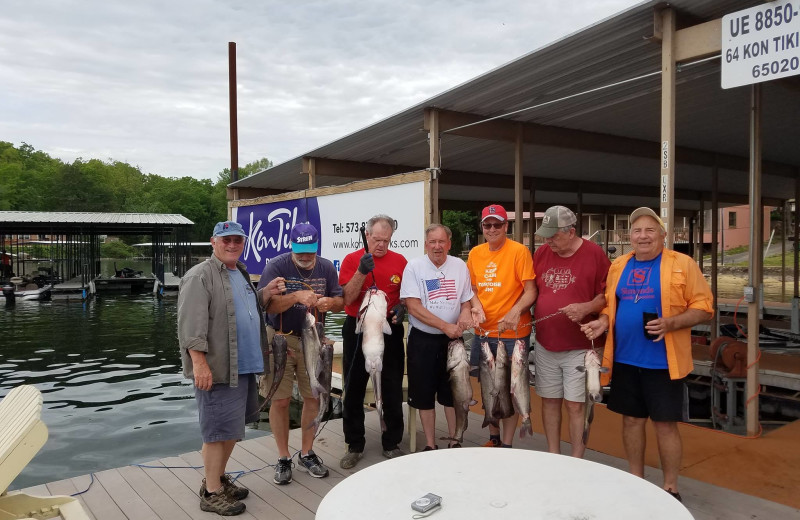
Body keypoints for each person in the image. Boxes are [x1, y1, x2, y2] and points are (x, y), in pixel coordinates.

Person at [581, 207, 713, 501]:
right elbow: (610, 306)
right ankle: (636, 480)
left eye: (650, 230)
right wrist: (601, 321)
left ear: (664, 235)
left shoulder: (683, 264)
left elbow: (704, 308)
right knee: (631, 421)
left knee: (665, 424)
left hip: (664, 362)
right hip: (625, 359)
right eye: (637, 230)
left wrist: (671, 323)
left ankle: (670, 487)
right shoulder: (619, 266)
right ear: (629, 236)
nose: (643, 236)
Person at [178, 220, 283, 516]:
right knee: (215, 432)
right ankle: (211, 492)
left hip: (244, 366)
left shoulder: (241, 272)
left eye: (238, 240)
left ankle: (218, 479)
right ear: (214, 242)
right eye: (226, 240)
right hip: (218, 368)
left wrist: (265, 293)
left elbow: (242, 307)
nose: (232, 245)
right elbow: (191, 327)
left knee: (231, 430)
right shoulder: (200, 276)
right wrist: (199, 364)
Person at [257, 223, 344, 485]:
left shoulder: (327, 267)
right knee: (280, 400)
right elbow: (265, 304)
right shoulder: (276, 265)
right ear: (291, 246)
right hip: (280, 339)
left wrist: (330, 303)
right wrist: (296, 296)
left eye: (309, 251)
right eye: (300, 251)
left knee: (313, 396)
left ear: (316, 247)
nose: (305, 257)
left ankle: (307, 452)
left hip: (313, 338)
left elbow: (339, 300)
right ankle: (283, 457)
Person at [532, 205, 610, 458]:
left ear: (571, 231)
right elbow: (533, 290)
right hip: (546, 342)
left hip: (581, 347)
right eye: (545, 235)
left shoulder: (595, 254)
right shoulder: (542, 253)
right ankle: (554, 455)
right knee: (549, 400)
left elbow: (608, 296)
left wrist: (586, 307)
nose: (548, 241)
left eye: (553, 235)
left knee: (576, 405)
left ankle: (577, 459)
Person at [400, 224, 485, 451]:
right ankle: (430, 445)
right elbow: (413, 306)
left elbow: (466, 299)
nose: (437, 246)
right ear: (426, 244)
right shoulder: (414, 267)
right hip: (423, 340)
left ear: (449, 243)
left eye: (441, 242)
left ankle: (454, 440)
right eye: (432, 242)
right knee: (424, 394)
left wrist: (466, 312)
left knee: (453, 393)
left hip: (452, 341)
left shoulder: (459, 266)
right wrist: (444, 325)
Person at [339, 214, 408, 469]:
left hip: (388, 328)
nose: (381, 245)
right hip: (358, 331)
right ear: (367, 235)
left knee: (391, 387)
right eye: (377, 239)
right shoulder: (351, 260)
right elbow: (347, 298)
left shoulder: (400, 261)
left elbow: (406, 297)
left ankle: (392, 442)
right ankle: (354, 444)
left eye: (386, 240)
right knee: (354, 388)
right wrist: (361, 271)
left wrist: (402, 309)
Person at [466, 204, 537, 448]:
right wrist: (475, 306)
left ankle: (506, 443)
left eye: (498, 224)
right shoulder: (475, 253)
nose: (493, 229)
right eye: (488, 225)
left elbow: (531, 291)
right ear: (482, 227)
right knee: (488, 387)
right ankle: (493, 438)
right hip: (483, 332)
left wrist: (515, 311)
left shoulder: (519, 251)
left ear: (506, 226)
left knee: (510, 388)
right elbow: (472, 289)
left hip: (513, 334)